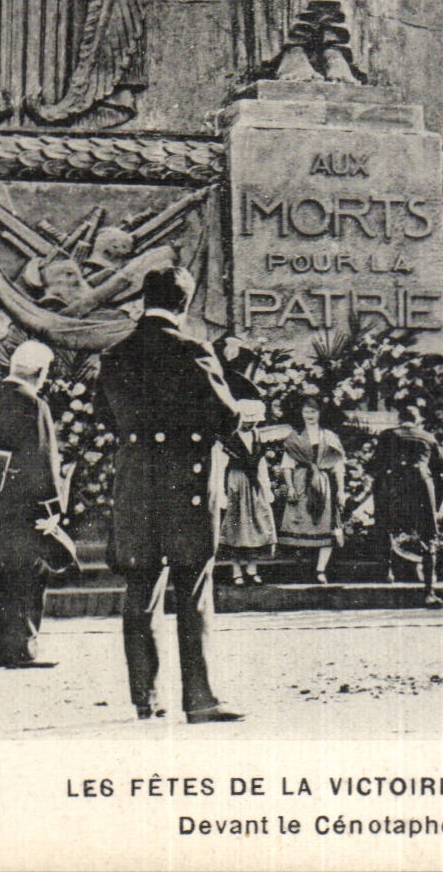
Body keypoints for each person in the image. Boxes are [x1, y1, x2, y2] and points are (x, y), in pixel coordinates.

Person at [96, 266, 245, 723]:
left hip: (137, 486)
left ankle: (146, 698)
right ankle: (200, 698)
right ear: (183, 304)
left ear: (145, 299)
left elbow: (106, 416)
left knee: (140, 588)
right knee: (193, 589)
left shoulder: (115, 354)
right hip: (186, 485)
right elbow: (224, 416)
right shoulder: (192, 350)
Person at [0, 341, 63, 668]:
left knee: (5, 579)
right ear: (40, 372)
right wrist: (52, 509)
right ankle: (22, 649)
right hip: (27, 509)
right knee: (29, 577)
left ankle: (4, 650)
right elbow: (43, 460)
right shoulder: (34, 405)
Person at [373, 405, 443, 607]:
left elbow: (376, 467)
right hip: (422, 489)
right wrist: (437, 501)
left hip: (395, 487)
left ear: (399, 419)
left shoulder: (387, 435)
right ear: (418, 421)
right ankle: (429, 592)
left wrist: (380, 496)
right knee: (428, 539)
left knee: (387, 529)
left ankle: (387, 576)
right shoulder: (428, 437)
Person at [278, 391, 347, 584]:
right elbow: (287, 465)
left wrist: (341, 491)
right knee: (300, 524)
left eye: (314, 412)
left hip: (323, 486)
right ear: (301, 413)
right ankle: (301, 569)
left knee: (326, 525)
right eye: (306, 411)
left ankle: (320, 570)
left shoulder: (329, 436)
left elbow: (338, 466)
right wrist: (290, 487)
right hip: (301, 483)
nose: (310, 415)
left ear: (320, 414)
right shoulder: (295, 437)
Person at [216, 399, 277, 587]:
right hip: (236, 483)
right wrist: (221, 493)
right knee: (237, 527)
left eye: (254, 420)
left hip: (254, 485)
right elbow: (220, 467)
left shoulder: (257, 436)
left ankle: (252, 568)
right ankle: (236, 570)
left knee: (256, 525)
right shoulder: (229, 438)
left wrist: (266, 488)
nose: (250, 423)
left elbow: (260, 464)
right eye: (247, 419)